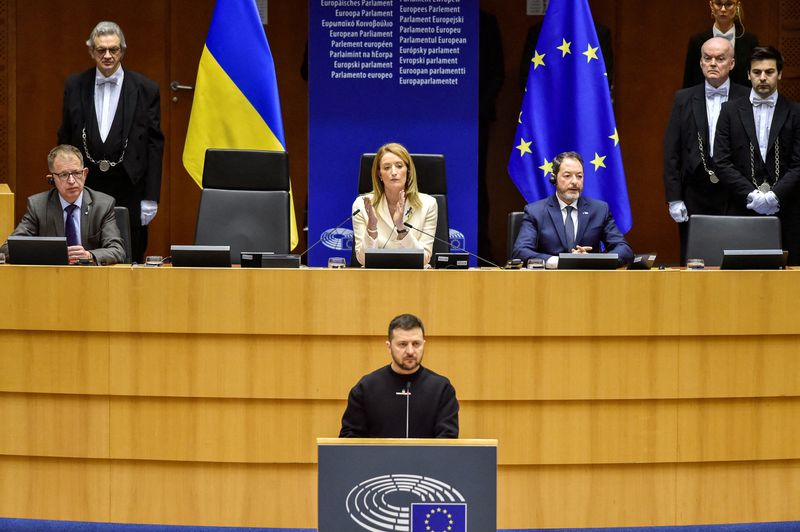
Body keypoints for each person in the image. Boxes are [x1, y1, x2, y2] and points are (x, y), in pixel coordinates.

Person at [58, 21, 164, 264]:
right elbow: (65, 136)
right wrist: (62, 181)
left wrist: (151, 196)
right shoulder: (75, 85)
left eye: (113, 50)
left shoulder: (146, 88)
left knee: (130, 253)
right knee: (84, 251)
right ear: (91, 52)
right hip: (86, 181)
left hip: (130, 184)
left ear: (122, 51)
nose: (107, 56)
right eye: (101, 50)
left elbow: (154, 144)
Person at [663, 37, 750, 264]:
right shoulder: (683, 98)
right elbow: (671, 151)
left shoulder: (747, 97)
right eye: (707, 58)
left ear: (731, 63)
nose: (713, 63)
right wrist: (674, 198)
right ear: (700, 63)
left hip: (736, 192)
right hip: (695, 192)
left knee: (733, 259)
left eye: (720, 59)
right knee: (695, 260)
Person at [714, 46, 800, 265]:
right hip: (740, 208)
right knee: (739, 280)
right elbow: (721, 161)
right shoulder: (729, 111)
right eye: (757, 72)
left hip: (787, 211)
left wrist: (775, 195)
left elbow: (799, 164)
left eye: (769, 72)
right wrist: (751, 195)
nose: (763, 78)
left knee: (787, 282)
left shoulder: (796, 112)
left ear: (779, 74)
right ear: (748, 74)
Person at [0, 145, 125, 265]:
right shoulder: (38, 206)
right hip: (51, 280)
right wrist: (54, 255)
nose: (71, 181)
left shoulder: (102, 205)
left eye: (76, 173)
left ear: (85, 173)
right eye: (64, 175)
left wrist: (89, 256)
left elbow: (117, 250)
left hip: (90, 279)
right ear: (52, 178)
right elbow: (8, 249)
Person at [339, 313, 459, 439]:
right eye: (402, 344)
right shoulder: (366, 387)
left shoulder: (442, 389)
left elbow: (447, 441)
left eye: (416, 344)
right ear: (389, 347)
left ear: (424, 344)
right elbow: (350, 440)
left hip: (427, 459)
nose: (410, 351)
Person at [511, 151, 634, 268]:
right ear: (554, 178)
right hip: (549, 282)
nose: (575, 182)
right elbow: (520, 252)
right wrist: (561, 262)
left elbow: (624, 250)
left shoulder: (600, 210)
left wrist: (594, 260)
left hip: (591, 283)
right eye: (567, 176)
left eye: (579, 176)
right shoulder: (535, 211)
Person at [351, 143, 438, 266]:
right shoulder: (362, 205)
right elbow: (362, 260)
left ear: (408, 170)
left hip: (416, 279)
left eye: (399, 166)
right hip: (375, 279)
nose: (393, 172)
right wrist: (372, 226)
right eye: (386, 167)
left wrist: (401, 228)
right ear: (379, 174)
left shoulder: (428, 204)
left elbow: (424, 258)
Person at [683, 0, 758, 88]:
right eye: (718, 4)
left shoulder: (750, 41)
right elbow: (689, 80)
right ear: (711, 5)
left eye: (729, 4)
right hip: (704, 99)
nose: (723, 9)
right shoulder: (697, 41)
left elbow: (755, 77)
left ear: (737, 5)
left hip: (742, 98)